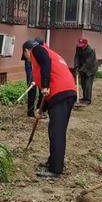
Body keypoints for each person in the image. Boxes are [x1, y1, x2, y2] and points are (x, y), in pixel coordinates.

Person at [22, 40, 77, 178]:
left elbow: (46, 66)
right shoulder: (50, 54)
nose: (28, 60)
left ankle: (56, 169)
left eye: (26, 57)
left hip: (61, 93)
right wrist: (42, 110)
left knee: (56, 132)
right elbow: (45, 92)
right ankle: (53, 161)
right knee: (56, 131)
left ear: (27, 51)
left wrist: (45, 85)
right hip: (65, 92)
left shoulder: (38, 50)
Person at [25, 37, 45, 117]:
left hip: (41, 76)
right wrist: (32, 79)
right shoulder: (29, 53)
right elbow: (29, 68)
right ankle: (30, 112)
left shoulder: (43, 53)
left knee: (42, 93)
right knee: (31, 93)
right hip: (32, 76)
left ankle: (39, 110)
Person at [74, 38, 98, 106]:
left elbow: (88, 63)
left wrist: (80, 70)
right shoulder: (78, 47)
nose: (80, 46)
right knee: (83, 83)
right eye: (80, 44)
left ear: (86, 44)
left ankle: (88, 100)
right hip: (82, 67)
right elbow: (77, 57)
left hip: (91, 68)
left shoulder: (91, 50)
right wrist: (76, 66)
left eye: (82, 45)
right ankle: (84, 98)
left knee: (88, 84)